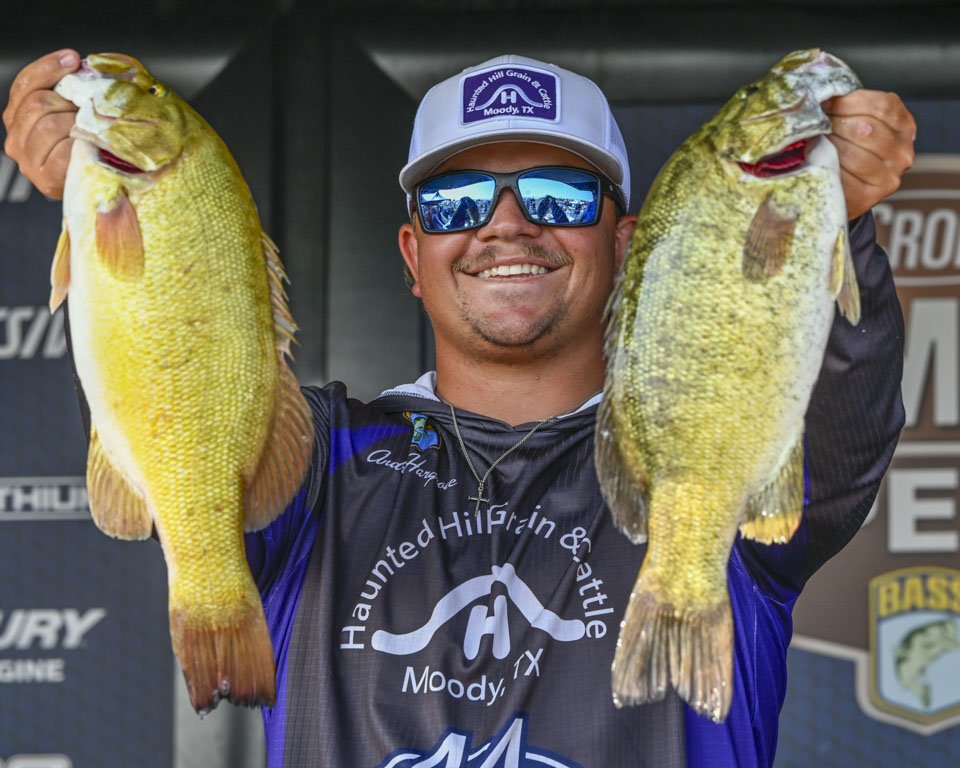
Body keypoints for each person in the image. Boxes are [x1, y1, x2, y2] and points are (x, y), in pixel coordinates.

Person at [3, 50, 914, 768]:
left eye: (558, 194)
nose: (506, 223)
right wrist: (106, 201)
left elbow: (840, 430)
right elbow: (170, 377)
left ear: (627, 244)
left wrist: (833, 222)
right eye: (457, 201)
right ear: (413, 253)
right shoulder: (317, 464)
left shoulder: (703, 458)